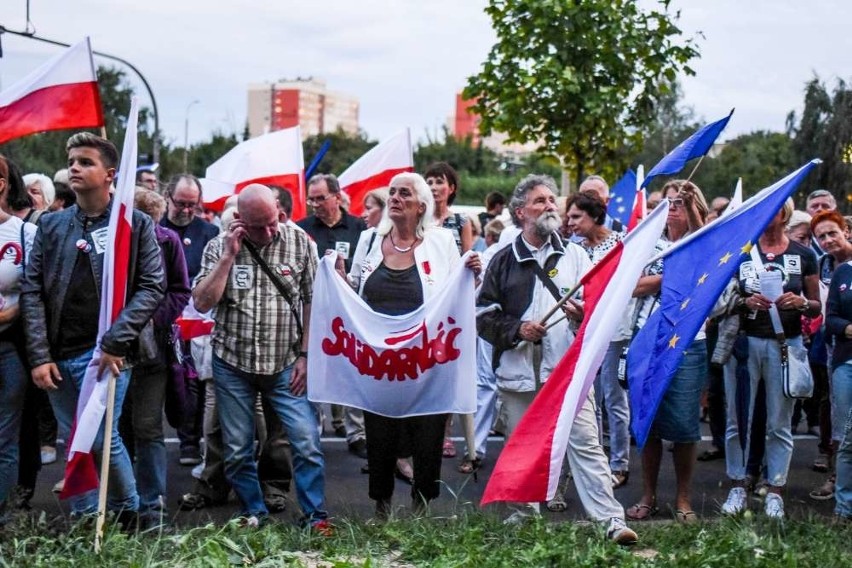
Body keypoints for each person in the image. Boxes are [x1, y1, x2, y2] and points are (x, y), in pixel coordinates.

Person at [477, 174, 637, 545]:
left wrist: (583, 314)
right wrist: (519, 329)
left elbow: (597, 310)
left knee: (586, 445)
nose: (551, 205)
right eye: (540, 201)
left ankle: (611, 520)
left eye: (552, 199)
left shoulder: (577, 255)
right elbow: (483, 316)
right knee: (522, 446)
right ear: (521, 212)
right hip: (519, 373)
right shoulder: (502, 261)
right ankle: (525, 517)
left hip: (567, 372)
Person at [21, 133, 164, 520]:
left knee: (101, 439)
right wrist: (38, 355)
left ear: (110, 174)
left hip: (107, 355)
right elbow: (32, 289)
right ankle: (84, 518)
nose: (75, 167)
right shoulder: (52, 225)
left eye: (86, 162)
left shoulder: (134, 225)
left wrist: (115, 343)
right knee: (75, 441)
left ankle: (127, 512)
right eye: (72, 160)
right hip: (57, 353)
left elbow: (152, 287)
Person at [340, 172, 481, 518]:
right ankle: (382, 507)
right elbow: (354, 293)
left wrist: (472, 276)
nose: (395, 198)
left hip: (425, 361)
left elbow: (456, 297)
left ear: (421, 206)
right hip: (380, 362)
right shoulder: (370, 240)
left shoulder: (443, 242)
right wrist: (338, 277)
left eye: (405, 193)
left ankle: (420, 510)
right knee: (381, 433)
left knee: (427, 434)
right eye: (392, 192)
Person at [193, 184, 329, 530]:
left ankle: (314, 516)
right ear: (240, 220)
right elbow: (202, 302)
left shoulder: (299, 243)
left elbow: (314, 300)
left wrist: (306, 355)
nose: (269, 232)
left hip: (284, 363)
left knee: (306, 441)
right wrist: (228, 256)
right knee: (237, 448)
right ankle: (255, 511)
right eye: (259, 226)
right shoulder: (218, 246)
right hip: (232, 364)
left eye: (275, 221)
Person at [720, 198, 820, 519]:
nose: (766, 213)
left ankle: (775, 488)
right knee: (738, 418)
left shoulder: (804, 255)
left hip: (784, 344)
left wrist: (801, 303)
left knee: (779, 420)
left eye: (773, 207)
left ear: (784, 213)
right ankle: (737, 484)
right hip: (744, 343)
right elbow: (722, 300)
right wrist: (746, 302)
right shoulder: (741, 251)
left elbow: (817, 305)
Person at [627, 180, 709, 524]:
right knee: (649, 421)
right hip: (649, 338)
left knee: (686, 425)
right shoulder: (647, 244)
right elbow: (632, 286)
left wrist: (692, 208)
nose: (671, 207)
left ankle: (684, 498)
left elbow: (709, 266)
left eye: (679, 202)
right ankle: (648, 496)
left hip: (690, 342)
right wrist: (672, 277)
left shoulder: (700, 241)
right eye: (666, 201)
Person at [119, 189, 191, 528]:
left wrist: (150, 318)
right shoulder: (113, 241)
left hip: (152, 349)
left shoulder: (168, 242)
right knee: (117, 428)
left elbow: (180, 290)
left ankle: (152, 505)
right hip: (113, 349)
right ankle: (123, 501)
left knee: (146, 426)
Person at [297, 173, 369, 459]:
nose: (314, 204)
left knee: (354, 370)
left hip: (350, 312)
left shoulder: (359, 228)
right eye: (311, 199)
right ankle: (313, 429)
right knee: (314, 370)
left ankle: (357, 432)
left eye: (320, 198)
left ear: (337, 197)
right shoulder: (303, 229)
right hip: (314, 310)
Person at [564, 190, 630, 489]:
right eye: (568, 216)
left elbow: (638, 280)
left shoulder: (622, 242)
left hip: (614, 332)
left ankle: (619, 463)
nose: (570, 222)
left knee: (614, 398)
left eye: (576, 216)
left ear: (595, 216)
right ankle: (597, 463)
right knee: (587, 401)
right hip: (581, 333)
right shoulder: (573, 248)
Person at [160, 174, 219, 466]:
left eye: (191, 205)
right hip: (164, 317)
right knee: (172, 383)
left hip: (199, 321)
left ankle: (190, 442)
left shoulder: (208, 231)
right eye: (180, 204)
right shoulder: (155, 228)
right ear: (167, 198)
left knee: (195, 383)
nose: (185, 210)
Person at [424, 162, 473, 458]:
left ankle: (445, 433)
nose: (433, 186)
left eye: (439, 181)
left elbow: (467, 263)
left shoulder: (461, 222)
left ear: (451, 188)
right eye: (428, 181)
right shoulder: (421, 221)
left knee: (447, 368)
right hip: (426, 303)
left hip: (451, 306)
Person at [0, 155, 37, 525]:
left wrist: (9, 315)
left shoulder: (26, 235)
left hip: (10, 347)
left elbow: (34, 293)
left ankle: (5, 515)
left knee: (5, 437)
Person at [809, 210, 852, 501]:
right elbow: (830, 316)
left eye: (832, 233)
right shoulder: (826, 266)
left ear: (845, 231)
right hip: (834, 349)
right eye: (821, 236)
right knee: (839, 420)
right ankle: (838, 483)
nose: (827, 240)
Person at [805, 189, 837, 257]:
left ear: (834, 210)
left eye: (825, 206)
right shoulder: (799, 236)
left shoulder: (845, 234)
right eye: (814, 206)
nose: (819, 209)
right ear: (807, 210)